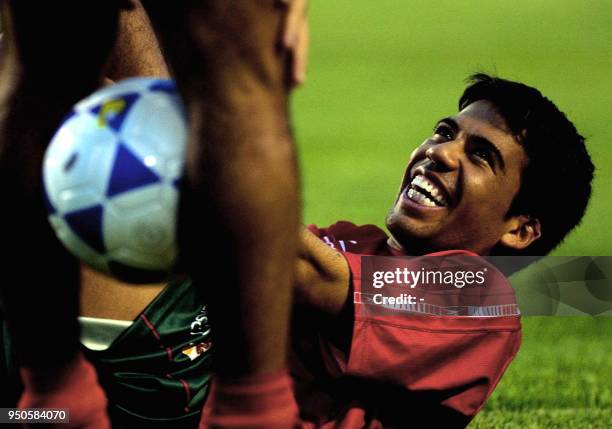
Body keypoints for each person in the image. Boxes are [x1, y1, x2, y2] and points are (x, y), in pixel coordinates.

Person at [0, 1, 594, 429]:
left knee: (74, 100)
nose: (441, 153)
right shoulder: (356, 243)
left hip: (185, 386)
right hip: (166, 365)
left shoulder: (479, 302)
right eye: (446, 132)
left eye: (480, 156)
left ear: (521, 229)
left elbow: (294, 273)